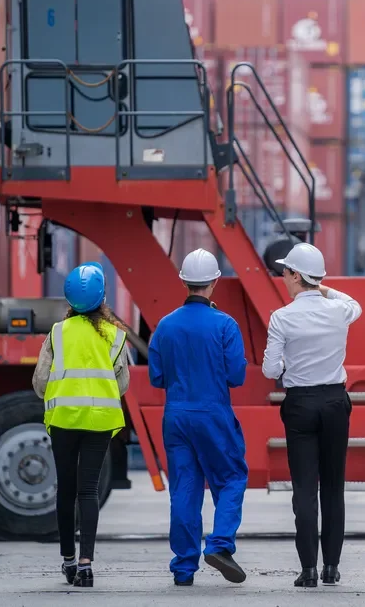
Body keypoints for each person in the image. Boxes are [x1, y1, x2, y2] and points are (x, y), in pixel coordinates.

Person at [261, 242, 362, 588]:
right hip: (335, 402)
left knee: (304, 489)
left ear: (294, 275)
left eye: (285, 272)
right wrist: (324, 287)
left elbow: (269, 368)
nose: (283, 278)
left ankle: (308, 571)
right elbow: (354, 305)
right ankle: (332, 567)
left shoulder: (281, 317)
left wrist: (290, 364)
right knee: (333, 487)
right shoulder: (338, 311)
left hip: (301, 403)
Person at [148, 248, 249, 587]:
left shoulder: (165, 325)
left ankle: (183, 568)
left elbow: (156, 378)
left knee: (185, 489)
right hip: (213, 414)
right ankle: (220, 545)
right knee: (232, 477)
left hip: (175, 415)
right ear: (215, 282)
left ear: (184, 282)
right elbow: (237, 376)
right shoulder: (225, 325)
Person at [31, 261, 131, 588]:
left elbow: (40, 381)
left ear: (69, 300)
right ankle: (87, 565)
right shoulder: (116, 337)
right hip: (100, 421)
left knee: (67, 490)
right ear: (103, 299)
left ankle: (68, 561)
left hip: (63, 420)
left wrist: (62, 393)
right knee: (88, 491)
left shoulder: (57, 334)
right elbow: (123, 384)